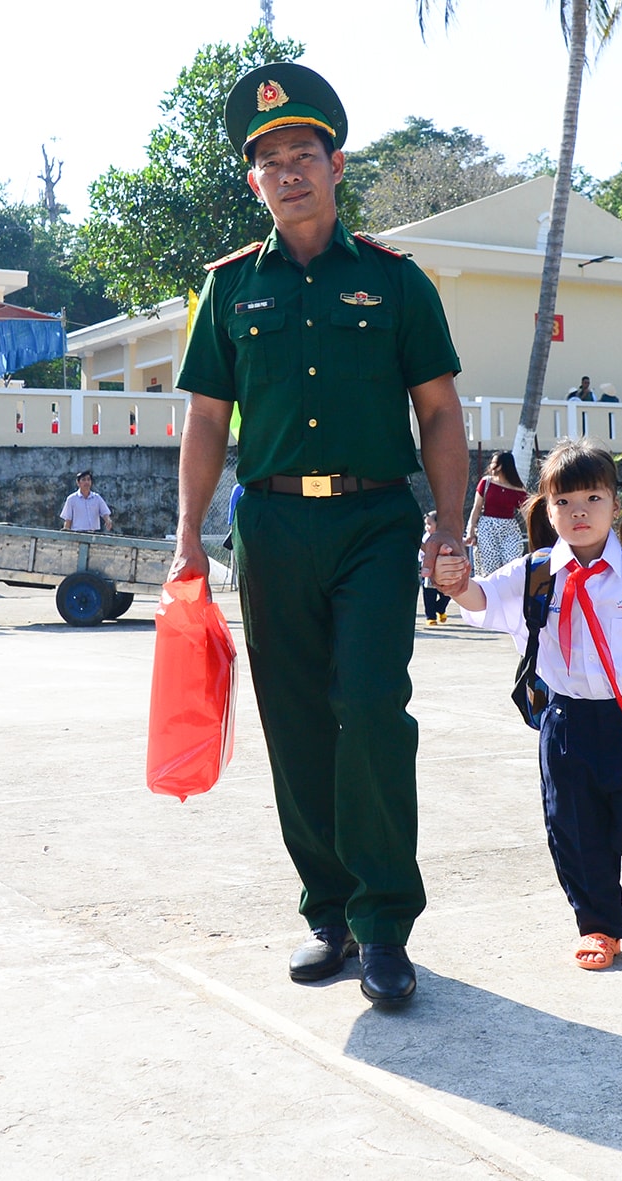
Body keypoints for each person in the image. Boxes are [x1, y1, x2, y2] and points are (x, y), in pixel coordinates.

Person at [168, 61, 469, 1008]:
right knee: (295, 720)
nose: (289, 171)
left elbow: (441, 413)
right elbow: (208, 424)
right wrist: (187, 538)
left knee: (373, 706)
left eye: (304, 153)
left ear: (336, 165)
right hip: (271, 525)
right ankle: (327, 913)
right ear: (253, 181)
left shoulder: (395, 282)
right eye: (270, 160)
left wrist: (448, 528)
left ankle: (386, 922)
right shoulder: (225, 292)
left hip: (374, 521)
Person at [434, 440, 622, 971]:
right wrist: (457, 583)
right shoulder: (535, 573)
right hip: (565, 721)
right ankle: (600, 926)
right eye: (564, 501)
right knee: (573, 828)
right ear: (545, 507)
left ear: (615, 505)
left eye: (592, 498)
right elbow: (483, 602)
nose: (578, 512)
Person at [464, 449, 528, 576]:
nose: (492, 466)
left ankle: (510, 592)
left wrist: (535, 532)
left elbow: (526, 513)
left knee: (512, 563)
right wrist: (470, 530)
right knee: (490, 567)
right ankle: (491, 593)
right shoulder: (486, 482)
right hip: (487, 527)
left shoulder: (517, 489)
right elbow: (476, 507)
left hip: (509, 528)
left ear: (504, 465)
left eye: (495, 463)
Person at [419, 511, 450, 626]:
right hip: (429, 571)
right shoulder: (426, 538)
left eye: (429, 524)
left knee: (447, 594)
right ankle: (430, 616)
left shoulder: (447, 536)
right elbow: (421, 555)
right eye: (426, 524)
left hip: (444, 571)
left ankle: (440, 608)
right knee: (429, 594)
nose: (427, 527)